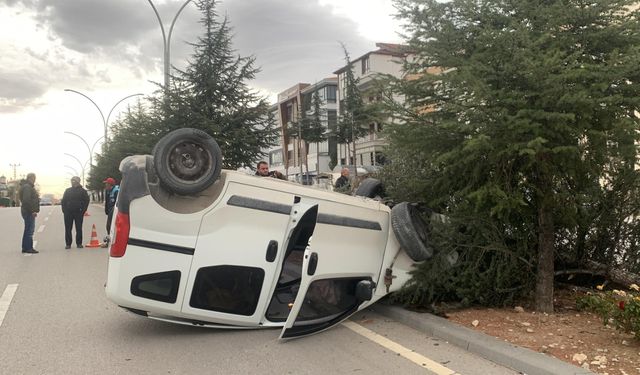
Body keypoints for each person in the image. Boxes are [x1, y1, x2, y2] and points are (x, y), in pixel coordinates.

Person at [61, 176, 90, 249]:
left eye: (74, 181)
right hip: (68, 213)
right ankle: (68, 244)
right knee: (68, 228)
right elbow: (63, 201)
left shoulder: (83, 191)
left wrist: (83, 210)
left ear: (78, 182)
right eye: (72, 181)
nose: (72, 182)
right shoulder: (68, 190)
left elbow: (86, 201)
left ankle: (79, 243)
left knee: (79, 228)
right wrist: (64, 210)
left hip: (78, 212)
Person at [18, 173, 39, 254]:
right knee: (29, 230)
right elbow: (26, 201)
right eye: (34, 178)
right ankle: (29, 248)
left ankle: (25, 247)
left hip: (26, 210)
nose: (35, 180)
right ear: (30, 178)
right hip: (28, 211)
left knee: (27, 229)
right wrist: (32, 211)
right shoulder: (27, 187)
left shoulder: (26, 186)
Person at [103, 177, 120, 246]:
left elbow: (118, 204)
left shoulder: (116, 191)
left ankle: (113, 242)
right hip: (110, 212)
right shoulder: (108, 191)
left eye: (106, 184)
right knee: (109, 227)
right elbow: (107, 202)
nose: (105, 185)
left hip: (115, 213)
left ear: (110, 184)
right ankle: (110, 242)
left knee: (112, 227)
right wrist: (106, 211)